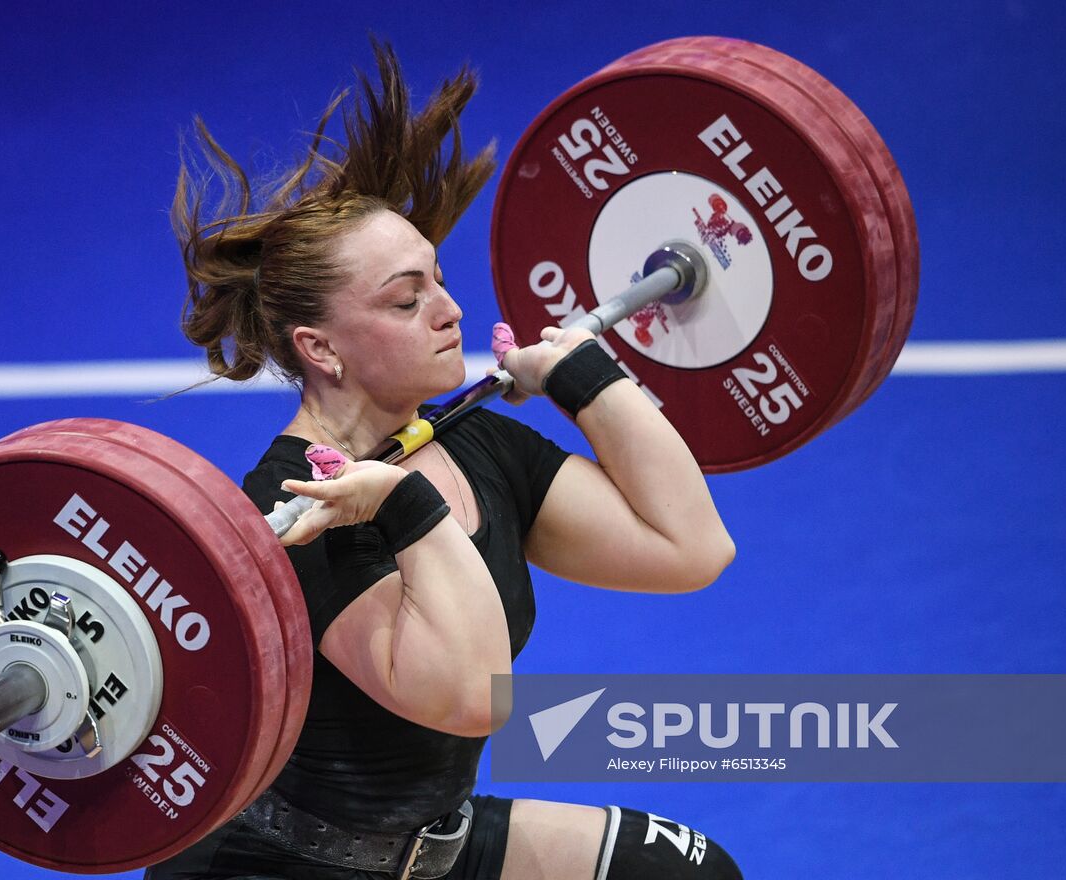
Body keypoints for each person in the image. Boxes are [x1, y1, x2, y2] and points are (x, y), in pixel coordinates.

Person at [148, 42, 741, 880]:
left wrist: (583, 374)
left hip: (437, 849)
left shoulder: (466, 438)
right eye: (406, 297)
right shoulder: (296, 507)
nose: (451, 310)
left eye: (439, 279)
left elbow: (690, 548)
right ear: (321, 348)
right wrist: (400, 506)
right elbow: (468, 697)